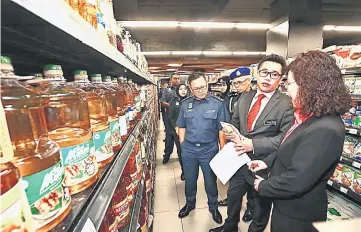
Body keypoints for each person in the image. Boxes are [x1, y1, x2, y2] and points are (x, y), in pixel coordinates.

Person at [248, 51, 351, 232]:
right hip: (286, 205)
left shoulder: (326, 128)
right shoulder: (307, 115)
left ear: (309, 85)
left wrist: (262, 185)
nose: (286, 89)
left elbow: (298, 179)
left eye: (290, 83)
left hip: (299, 214)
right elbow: (289, 146)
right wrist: (266, 163)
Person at [210, 54, 294, 232]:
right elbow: (236, 123)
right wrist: (231, 133)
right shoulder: (245, 97)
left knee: (260, 206)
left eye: (274, 74)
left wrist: (253, 144)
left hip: (265, 164)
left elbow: (285, 138)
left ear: (281, 79)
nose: (267, 78)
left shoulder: (287, 104)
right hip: (239, 159)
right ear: (257, 73)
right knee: (233, 196)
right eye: (264, 72)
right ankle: (230, 227)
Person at [177, 73, 229, 224]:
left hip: (209, 150)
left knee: (210, 181)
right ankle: (189, 204)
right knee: (190, 180)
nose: (200, 90)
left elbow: (222, 130)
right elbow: (181, 126)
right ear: (190, 88)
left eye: (203, 87)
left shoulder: (218, 104)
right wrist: (182, 145)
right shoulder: (186, 104)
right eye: (196, 88)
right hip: (189, 149)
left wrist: (222, 149)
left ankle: (213, 207)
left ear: (207, 84)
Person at [218, 67, 254, 223]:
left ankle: (251, 208)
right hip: (235, 145)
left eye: (241, 82)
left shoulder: (256, 98)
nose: (238, 86)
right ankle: (232, 208)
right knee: (234, 180)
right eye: (235, 83)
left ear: (249, 80)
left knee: (252, 181)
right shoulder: (233, 99)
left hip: (252, 147)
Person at [168, 83, 189, 181]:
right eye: (181, 89)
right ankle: (184, 171)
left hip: (190, 131)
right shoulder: (174, 102)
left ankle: (190, 170)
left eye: (185, 89)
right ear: (177, 91)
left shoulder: (190, 101)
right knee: (181, 152)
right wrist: (176, 127)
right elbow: (170, 117)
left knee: (189, 152)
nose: (183, 91)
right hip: (178, 132)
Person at [160, 74, 180, 164]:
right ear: (171, 80)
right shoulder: (166, 91)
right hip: (169, 119)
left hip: (180, 119)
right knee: (169, 139)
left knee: (180, 139)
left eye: (178, 78)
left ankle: (181, 156)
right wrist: (172, 107)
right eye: (175, 78)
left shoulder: (183, 90)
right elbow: (162, 102)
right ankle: (167, 155)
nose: (177, 80)